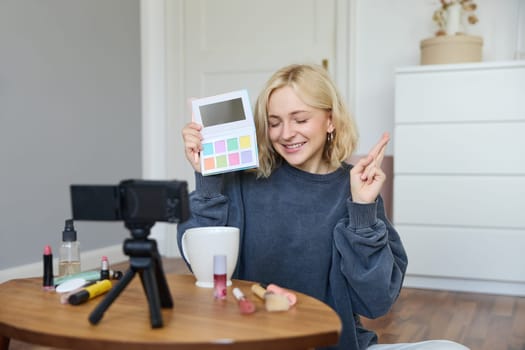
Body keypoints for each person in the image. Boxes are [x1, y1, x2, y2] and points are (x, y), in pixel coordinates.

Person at [178, 64, 468, 350]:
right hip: (255, 341)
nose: (286, 133)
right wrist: (208, 180)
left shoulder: (355, 190)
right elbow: (201, 265)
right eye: (275, 122)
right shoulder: (242, 182)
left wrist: (363, 211)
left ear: (330, 120)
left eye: (300, 119)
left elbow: (377, 301)